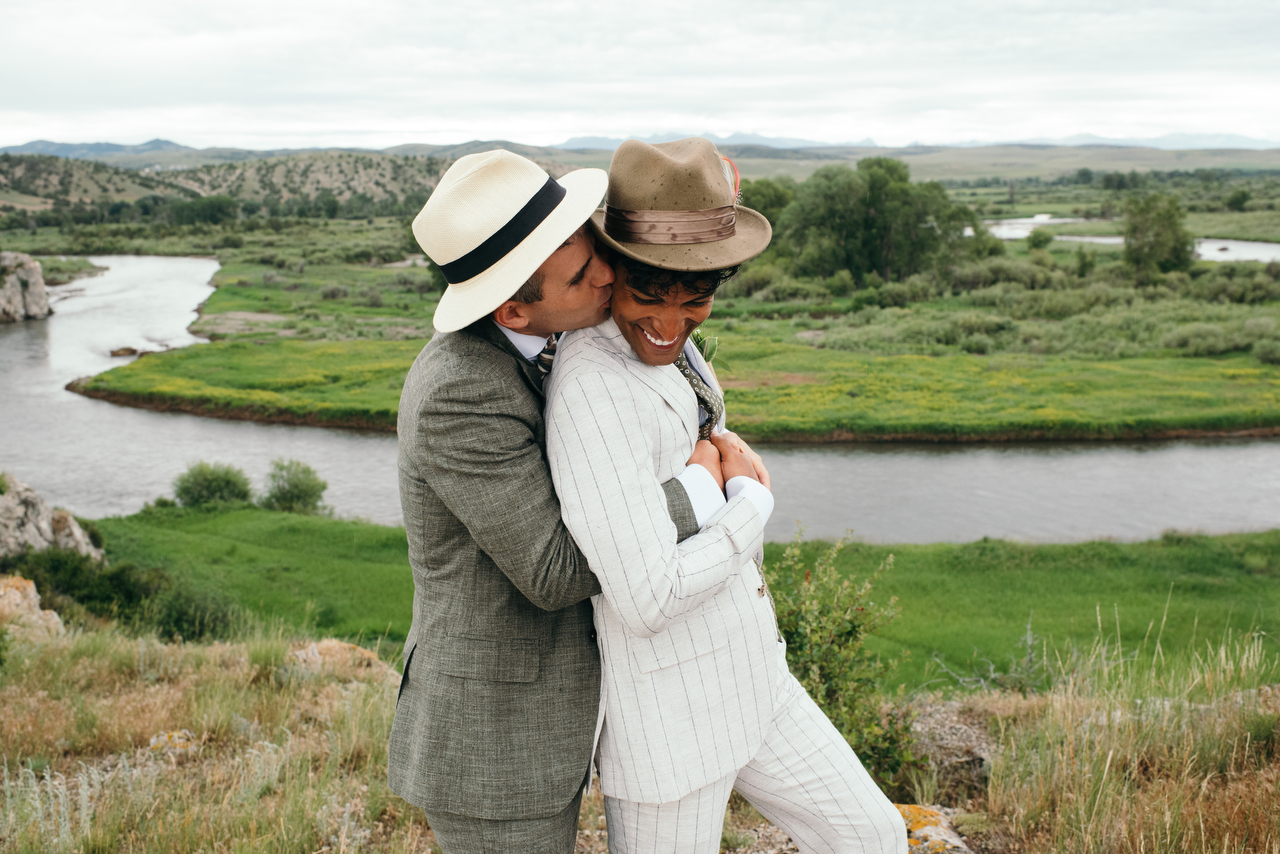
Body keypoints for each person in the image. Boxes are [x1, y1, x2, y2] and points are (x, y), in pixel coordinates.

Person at [545, 138, 907, 854]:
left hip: (755, 682)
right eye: (650, 295)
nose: (671, 323)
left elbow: (691, 427)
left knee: (875, 836)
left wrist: (720, 448)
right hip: (671, 728)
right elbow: (646, 598)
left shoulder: (666, 345)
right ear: (612, 267)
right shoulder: (592, 389)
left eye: (697, 298)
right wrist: (750, 504)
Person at [387, 149, 720, 854]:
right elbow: (555, 571)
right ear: (513, 308)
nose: (606, 274)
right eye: (579, 275)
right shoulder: (459, 394)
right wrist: (703, 481)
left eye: (593, 249)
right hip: (495, 741)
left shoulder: (557, 331)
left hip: (559, 712)